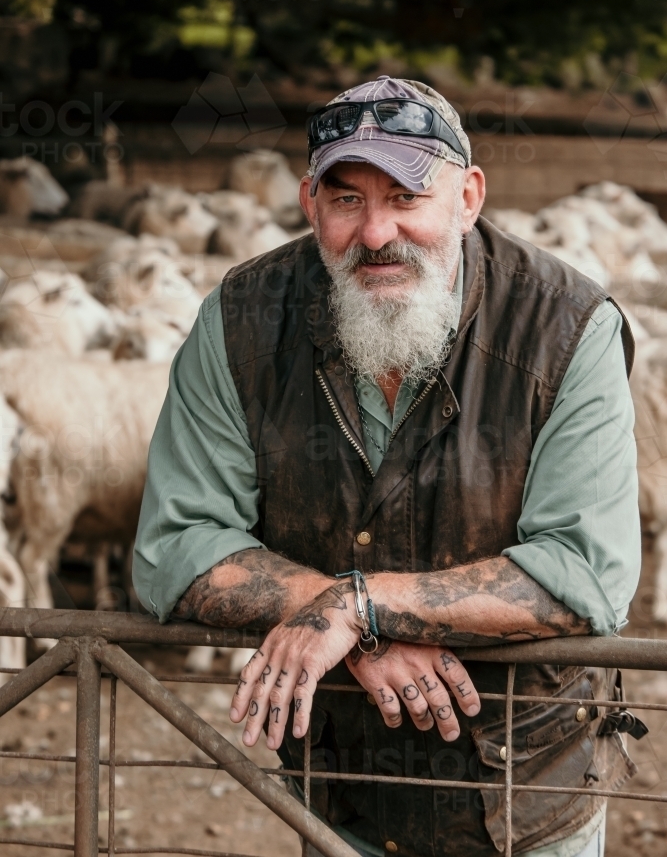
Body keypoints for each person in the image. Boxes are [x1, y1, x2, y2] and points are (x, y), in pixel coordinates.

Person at [134, 76, 641, 857]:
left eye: (406, 198)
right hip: (340, 792)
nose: (375, 234)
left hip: (524, 796)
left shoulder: (565, 329)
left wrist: (358, 610)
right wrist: (345, 614)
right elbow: (176, 542)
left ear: (467, 197)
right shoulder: (240, 319)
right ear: (310, 203)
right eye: (346, 201)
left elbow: (584, 571)